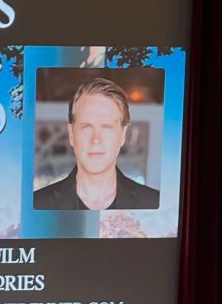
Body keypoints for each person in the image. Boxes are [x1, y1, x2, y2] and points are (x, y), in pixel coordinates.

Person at [33, 78, 160, 210]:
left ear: (122, 135)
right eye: (86, 126)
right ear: (71, 133)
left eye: (106, 127)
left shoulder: (152, 203)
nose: (95, 139)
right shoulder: (37, 204)